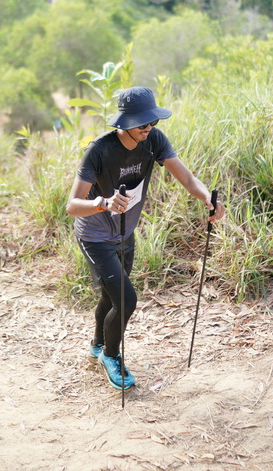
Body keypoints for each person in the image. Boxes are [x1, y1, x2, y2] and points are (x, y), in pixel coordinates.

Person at [66, 87, 225, 390]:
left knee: (111, 296)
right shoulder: (99, 151)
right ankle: (111, 356)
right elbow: (72, 206)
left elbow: (187, 178)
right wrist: (103, 203)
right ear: (124, 122)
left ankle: (97, 345)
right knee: (126, 300)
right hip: (95, 237)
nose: (148, 127)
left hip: (125, 233)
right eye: (142, 122)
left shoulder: (154, 141)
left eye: (152, 121)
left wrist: (207, 198)